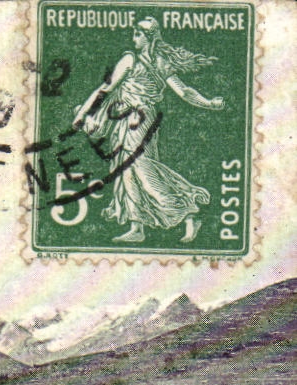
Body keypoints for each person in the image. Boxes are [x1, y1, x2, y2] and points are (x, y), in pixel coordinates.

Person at [70, 17, 225, 243]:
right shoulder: (131, 59)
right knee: (127, 170)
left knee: (140, 167)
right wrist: (84, 113)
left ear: (150, 37)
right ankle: (137, 227)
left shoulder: (155, 62)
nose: (134, 39)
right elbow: (107, 88)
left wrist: (208, 103)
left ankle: (188, 210)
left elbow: (185, 92)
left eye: (138, 34)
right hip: (125, 118)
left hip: (141, 118)